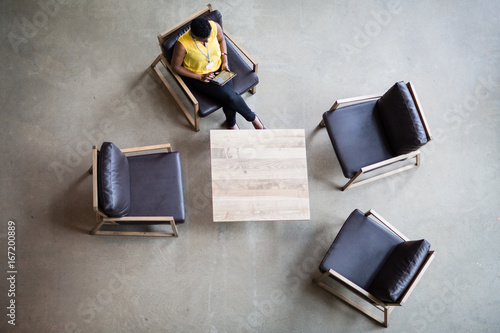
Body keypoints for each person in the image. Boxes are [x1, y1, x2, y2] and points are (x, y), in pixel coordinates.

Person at [171, 17, 265, 130]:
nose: (207, 41)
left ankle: (231, 124)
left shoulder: (214, 26)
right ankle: (253, 119)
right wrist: (200, 76)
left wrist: (225, 61)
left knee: (229, 97)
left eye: (209, 37)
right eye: (203, 40)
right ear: (193, 35)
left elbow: (222, 40)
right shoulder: (182, 44)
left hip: (220, 68)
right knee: (230, 96)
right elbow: (176, 67)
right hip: (200, 77)